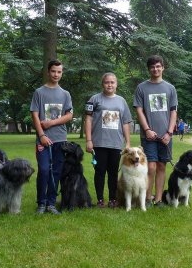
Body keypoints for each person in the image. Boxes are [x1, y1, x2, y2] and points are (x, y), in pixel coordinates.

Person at [134, 55, 178, 208]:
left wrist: (170, 133)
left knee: (161, 166)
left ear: (163, 68)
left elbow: (173, 112)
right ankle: (147, 198)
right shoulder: (142, 88)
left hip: (166, 135)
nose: (155, 69)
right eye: (152, 67)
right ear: (149, 69)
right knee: (150, 166)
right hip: (149, 136)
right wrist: (146, 129)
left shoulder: (170, 88)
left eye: (158, 66)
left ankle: (158, 199)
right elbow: (139, 110)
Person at [30, 59, 73, 215]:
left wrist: (51, 123)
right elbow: (34, 115)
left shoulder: (65, 94)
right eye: (53, 71)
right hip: (43, 139)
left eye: (59, 72)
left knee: (56, 171)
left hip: (60, 139)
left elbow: (69, 115)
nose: (56, 74)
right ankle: (41, 203)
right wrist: (41, 134)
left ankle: (51, 203)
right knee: (43, 170)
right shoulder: (39, 93)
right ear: (48, 72)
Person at [84, 72, 132, 209]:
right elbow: (88, 119)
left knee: (113, 173)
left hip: (116, 144)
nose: (109, 85)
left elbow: (126, 122)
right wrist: (88, 140)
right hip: (99, 143)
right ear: (102, 84)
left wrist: (127, 143)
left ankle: (112, 199)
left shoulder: (121, 101)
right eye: (107, 82)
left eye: (112, 82)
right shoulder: (94, 99)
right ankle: (100, 200)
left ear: (116, 84)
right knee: (99, 172)